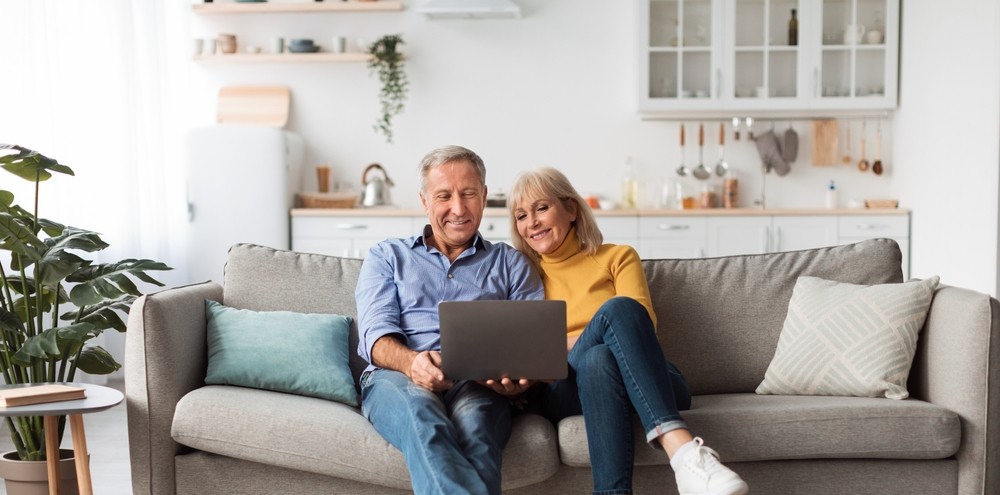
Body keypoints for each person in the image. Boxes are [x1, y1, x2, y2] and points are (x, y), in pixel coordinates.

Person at [508, 167, 748, 495]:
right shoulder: (523, 276)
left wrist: (558, 344)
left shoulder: (617, 257)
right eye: (521, 215)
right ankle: (684, 453)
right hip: (565, 390)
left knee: (601, 352)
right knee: (609, 324)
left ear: (571, 209)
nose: (531, 222)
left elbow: (640, 323)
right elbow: (526, 350)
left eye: (541, 208)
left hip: (650, 376)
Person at [355, 145, 544, 495]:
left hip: (478, 385)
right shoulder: (387, 256)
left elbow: (533, 347)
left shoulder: (512, 264)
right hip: (398, 378)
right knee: (423, 417)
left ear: (484, 197)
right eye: (444, 196)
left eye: (468, 194)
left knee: (478, 431)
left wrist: (521, 382)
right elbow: (375, 338)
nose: (458, 209)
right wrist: (414, 364)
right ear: (425, 201)